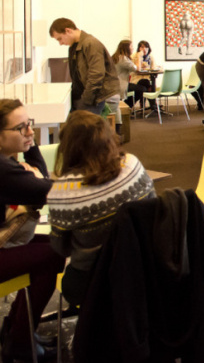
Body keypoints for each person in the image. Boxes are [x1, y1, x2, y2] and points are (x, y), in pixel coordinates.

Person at [48, 111, 155, 306]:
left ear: (67, 147)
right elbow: (154, 210)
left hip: (92, 281)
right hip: (144, 268)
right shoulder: (132, 167)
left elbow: (61, 248)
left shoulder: (61, 193)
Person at [0, 99, 64, 363]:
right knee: (55, 250)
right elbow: (50, 191)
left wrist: (29, 143)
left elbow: (41, 182)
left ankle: (17, 333)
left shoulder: (6, 162)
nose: (30, 132)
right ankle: (20, 340)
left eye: (30, 124)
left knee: (52, 248)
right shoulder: (4, 170)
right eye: (21, 128)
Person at [49, 18, 121, 116]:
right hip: (81, 97)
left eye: (60, 38)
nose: (60, 43)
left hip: (90, 99)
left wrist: (86, 99)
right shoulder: (74, 46)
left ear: (68, 31)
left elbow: (96, 74)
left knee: (87, 130)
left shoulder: (91, 43)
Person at [112, 40, 153, 113]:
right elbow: (137, 69)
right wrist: (139, 57)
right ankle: (127, 107)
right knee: (141, 89)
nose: (133, 48)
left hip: (116, 83)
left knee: (145, 83)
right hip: (120, 84)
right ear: (126, 48)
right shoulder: (123, 59)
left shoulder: (118, 57)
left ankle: (152, 105)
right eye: (131, 46)